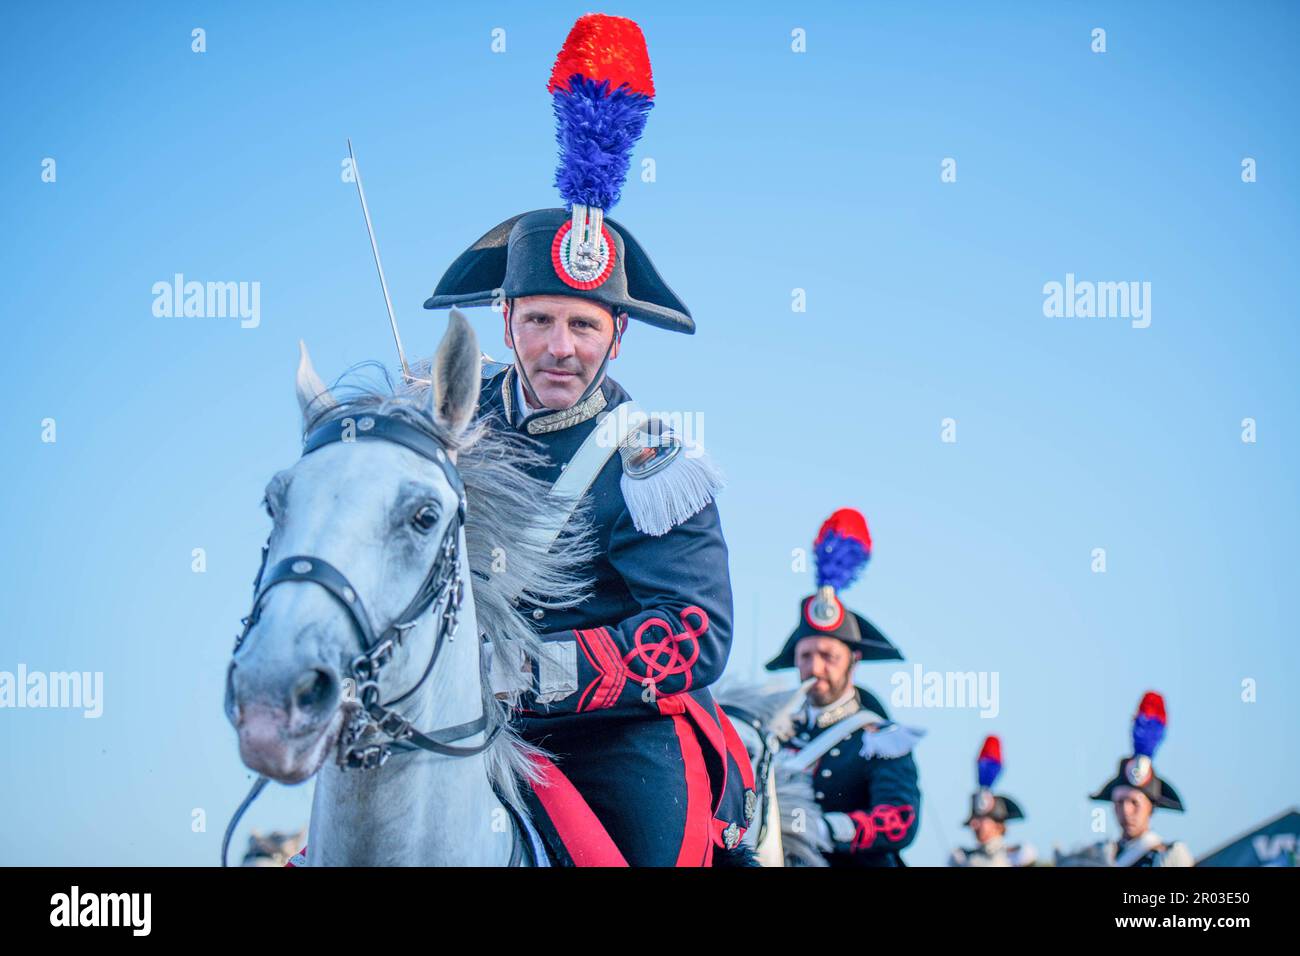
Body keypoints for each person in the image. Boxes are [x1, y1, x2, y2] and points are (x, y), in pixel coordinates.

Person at [423, 13, 753, 866]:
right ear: (505, 319)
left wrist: (529, 672)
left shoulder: (653, 464)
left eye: (582, 323)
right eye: (539, 320)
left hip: (608, 742)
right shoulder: (445, 424)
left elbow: (696, 630)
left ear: (618, 334)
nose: (560, 347)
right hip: (446, 720)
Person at [765, 508, 923, 866]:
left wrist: (826, 829)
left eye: (828, 655)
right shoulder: (777, 735)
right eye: (805, 656)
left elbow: (900, 821)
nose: (814, 667)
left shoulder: (880, 738)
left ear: (854, 661)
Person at [1078, 691, 1192, 867]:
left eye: (1134, 803)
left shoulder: (1168, 857)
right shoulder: (1098, 855)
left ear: (1151, 807)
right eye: (1120, 802)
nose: (1126, 811)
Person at [948, 735, 1036, 866]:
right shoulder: (962, 858)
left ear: (998, 824)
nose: (973, 824)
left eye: (981, 818)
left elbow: (1028, 853)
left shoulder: (1014, 855)